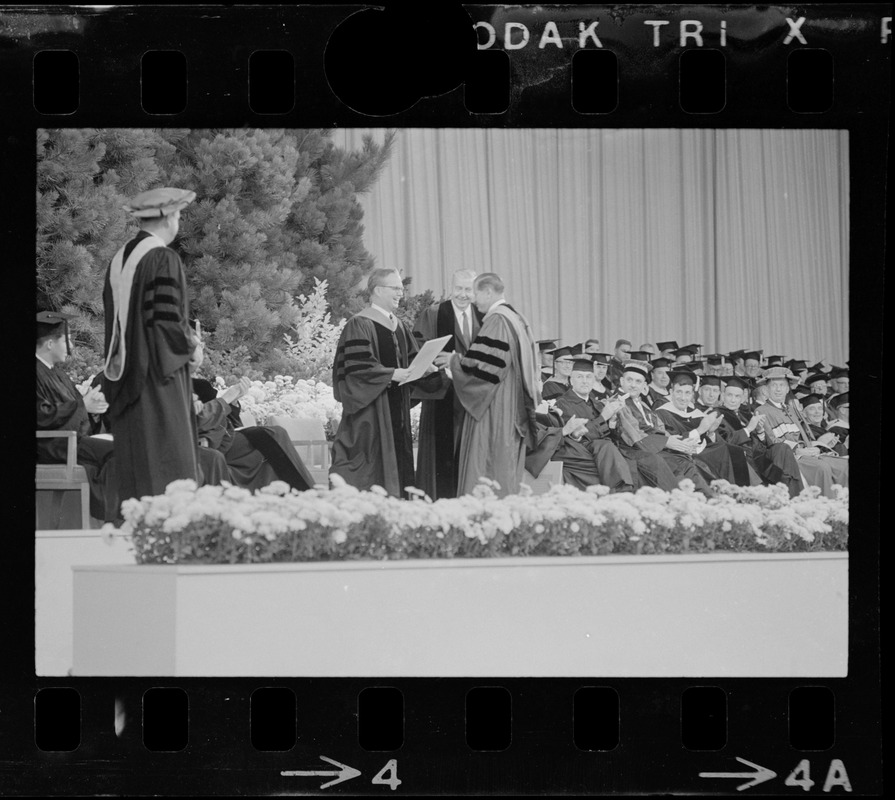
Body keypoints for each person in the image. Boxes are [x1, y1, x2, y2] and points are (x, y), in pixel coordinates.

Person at [102, 187, 208, 502]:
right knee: (170, 462)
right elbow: (166, 321)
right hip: (160, 377)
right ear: (168, 216)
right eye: (178, 214)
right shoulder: (162, 257)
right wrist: (192, 347)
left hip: (125, 378)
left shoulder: (119, 259)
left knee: (138, 464)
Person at [330, 269, 440, 497]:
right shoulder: (359, 324)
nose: (401, 293)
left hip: (396, 411)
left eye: (401, 288)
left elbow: (410, 359)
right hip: (370, 414)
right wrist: (391, 374)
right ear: (378, 290)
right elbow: (356, 370)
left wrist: (425, 367)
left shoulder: (397, 325)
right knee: (368, 466)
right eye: (396, 288)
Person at [448, 273, 540, 497]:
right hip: (511, 401)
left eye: (475, 293)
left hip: (495, 404)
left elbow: (485, 369)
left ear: (488, 292)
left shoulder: (497, 320)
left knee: (488, 464)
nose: (473, 299)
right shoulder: (516, 317)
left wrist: (454, 363)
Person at [36, 311, 119, 522]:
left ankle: (110, 511)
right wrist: (83, 405)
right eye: (67, 340)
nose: (71, 346)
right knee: (121, 452)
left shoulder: (57, 373)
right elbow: (41, 415)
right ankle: (108, 516)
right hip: (54, 445)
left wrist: (93, 408)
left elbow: (77, 407)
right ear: (49, 344)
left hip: (73, 441)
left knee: (125, 447)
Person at [412, 269, 483, 499]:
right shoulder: (434, 314)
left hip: (474, 396)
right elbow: (419, 348)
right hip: (442, 394)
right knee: (440, 457)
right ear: (451, 287)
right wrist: (435, 365)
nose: (463, 295)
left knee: (471, 453)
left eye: (468, 290)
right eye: (459, 289)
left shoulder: (484, 315)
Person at [605, 360, 715, 497]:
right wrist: (666, 442)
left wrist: (673, 439)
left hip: (651, 444)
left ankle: (709, 498)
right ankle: (698, 500)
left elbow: (658, 427)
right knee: (681, 463)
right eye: (629, 380)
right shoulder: (618, 403)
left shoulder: (641, 403)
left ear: (644, 385)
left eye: (638, 382)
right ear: (621, 381)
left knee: (691, 460)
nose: (633, 385)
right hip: (632, 449)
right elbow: (632, 434)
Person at [193, 377, 316, 491]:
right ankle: (306, 493)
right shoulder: (177, 386)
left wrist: (233, 401)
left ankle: (300, 495)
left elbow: (229, 421)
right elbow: (190, 419)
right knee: (271, 437)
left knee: (275, 436)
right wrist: (225, 400)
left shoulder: (191, 383)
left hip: (220, 434)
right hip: (204, 442)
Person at [654, 371, 761, 487]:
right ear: (671, 393)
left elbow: (715, 442)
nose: (683, 398)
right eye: (679, 392)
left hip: (701, 451)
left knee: (731, 450)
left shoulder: (696, 414)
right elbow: (672, 443)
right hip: (682, 454)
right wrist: (700, 430)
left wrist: (711, 432)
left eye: (687, 393)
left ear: (692, 395)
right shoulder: (661, 413)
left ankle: (746, 490)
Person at [754, 367, 848, 498]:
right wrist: (799, 450)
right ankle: (825, 506)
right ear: (766, 389)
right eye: (774, 385)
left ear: (787, 389)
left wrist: (815, 447)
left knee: (843, 465)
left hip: (804, 452)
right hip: (788, 458)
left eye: (782, 385)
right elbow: (772, 441)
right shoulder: (762, 410)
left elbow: (802, 436)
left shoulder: (791, 410)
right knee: (822, 468)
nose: (778, 389)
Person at [550, 359, 635, 491]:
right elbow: (582, 435)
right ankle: (622, 491)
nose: (585, 381)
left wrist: (612, 421)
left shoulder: (597, 404)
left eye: (589, 377)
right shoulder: (563, 403)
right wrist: (603, 417)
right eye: (579, 377)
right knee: (605, 446)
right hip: (580, 453)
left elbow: (613, 437)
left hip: (605, 453)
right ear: (571, 381)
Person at [714, 376, 804, 497]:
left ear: (743, 398)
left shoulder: (744, 415)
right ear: (723, 395)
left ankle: (795, 496)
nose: (733, 400)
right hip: (739, 458)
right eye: (730, 395)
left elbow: (760, 443)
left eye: (737, 396)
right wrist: (748, 429)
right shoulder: (717, 415)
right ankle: (782, 496)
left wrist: (760, 431)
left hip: (757, 456)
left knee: (782, 448)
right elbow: (723, 442)